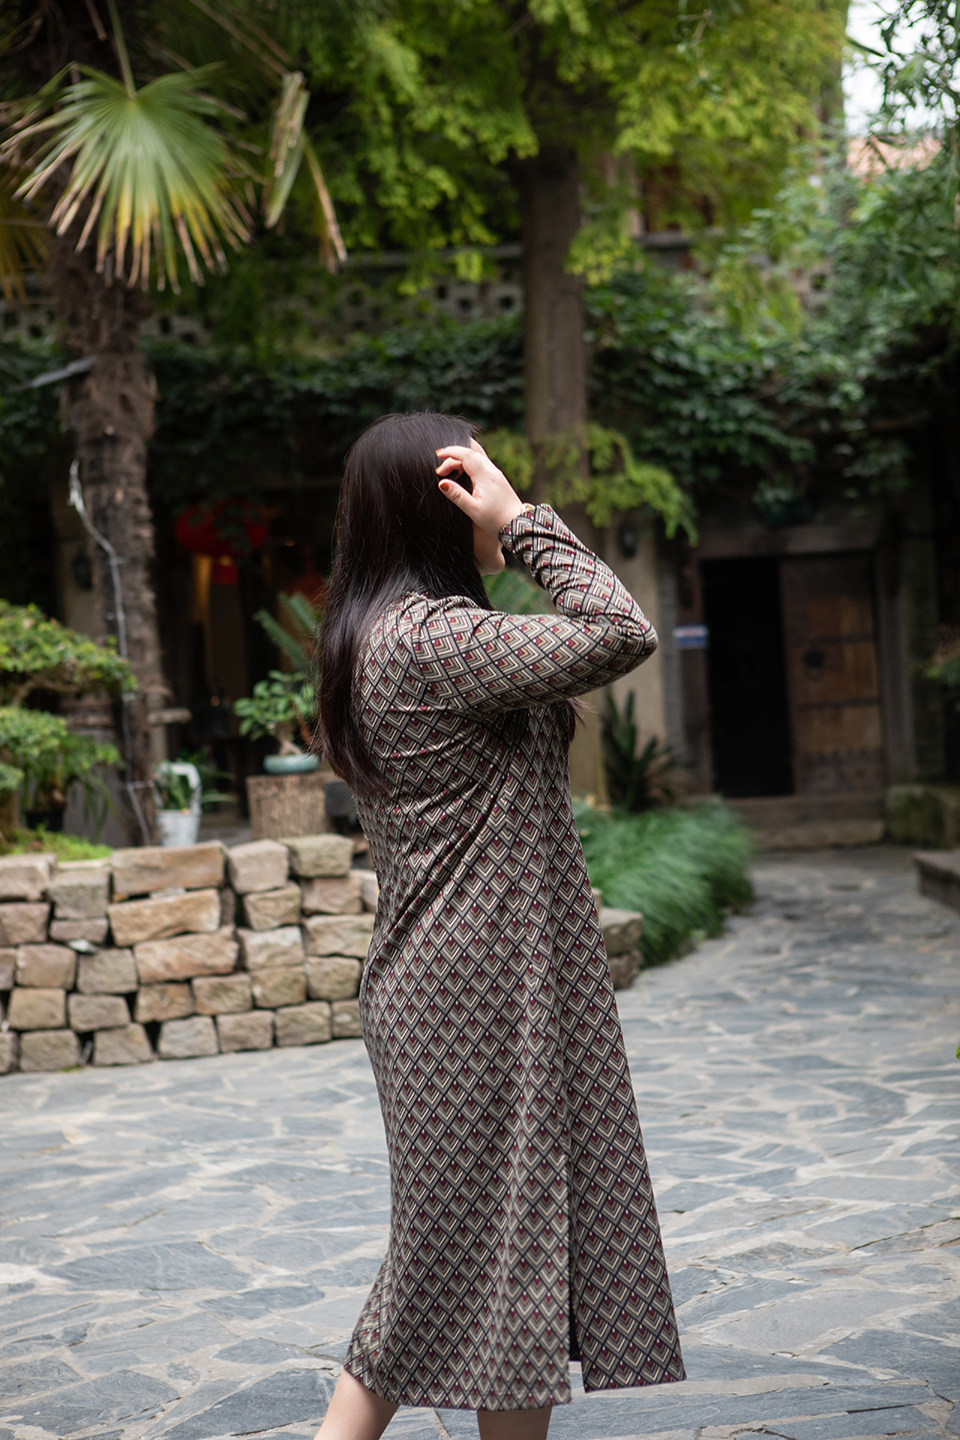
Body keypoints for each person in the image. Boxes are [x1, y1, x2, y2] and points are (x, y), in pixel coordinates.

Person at [313, 412, 684, 1440]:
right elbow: (621, 630)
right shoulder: (431, 639)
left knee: (500, 1262)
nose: (494, 490)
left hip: (473, 988)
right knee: (456, 1264)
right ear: (436, 507)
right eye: (473, 479)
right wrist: (523, 523)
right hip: (470, 1000)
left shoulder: (391, 633)